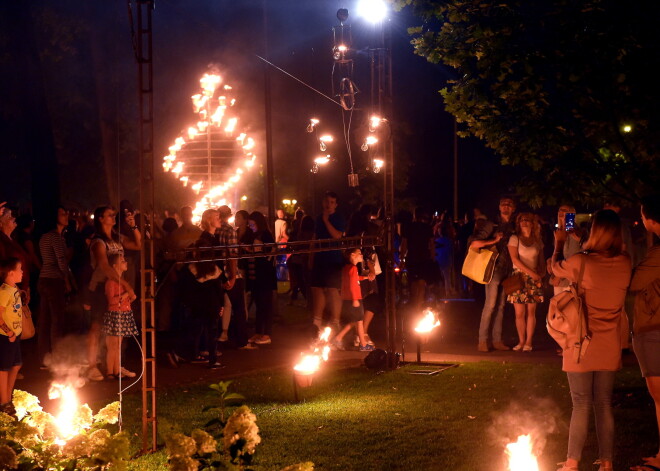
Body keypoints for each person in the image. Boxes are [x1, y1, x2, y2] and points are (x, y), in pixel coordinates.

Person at [551, 209, 632, 471]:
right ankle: (606, 462)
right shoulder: (625, 262)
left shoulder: (580, 262)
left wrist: (560, 242)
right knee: (604, 403)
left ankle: (573, 462)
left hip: (580, 343)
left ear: (595, 231)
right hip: (610, 343)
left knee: (581, 403)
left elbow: (554, 269)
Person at [86, 206, 139, 381]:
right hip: (101, 286)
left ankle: (115, 366)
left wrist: (133, 226)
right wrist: (127, 286)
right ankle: (92, 365)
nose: (114, 217)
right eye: (110, 215)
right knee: (96, 326)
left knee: (117, 329)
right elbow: (104, 266)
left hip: (117, 285)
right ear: (100, 218)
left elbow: (138, 245)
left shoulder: (116, 238)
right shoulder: (98, 241)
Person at [629, 195, 660, 471]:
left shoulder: (658, 254)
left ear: (649, 218)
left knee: (659, 394)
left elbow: (634, 281)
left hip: (653, 327)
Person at [470, 196, 517, 352]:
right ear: (499, 207)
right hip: (494, 269)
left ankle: (497, 340)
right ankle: (482, 341)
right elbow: (475, 243)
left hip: (508, 270)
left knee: (501, 306)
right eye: (503, 204)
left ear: (513, 208)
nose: (506, 207)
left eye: (509, 205)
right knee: (490, 305)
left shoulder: (514, 226)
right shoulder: (492, 225)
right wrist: (494, 240)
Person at [37, 206, 72, 367]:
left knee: (44, 320)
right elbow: (61, 261)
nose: (67, 216)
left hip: (43, 278)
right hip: (54, 280)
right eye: (62, 214)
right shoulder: (56, 237)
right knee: (57, 320)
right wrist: (67, 280)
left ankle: (44, 358)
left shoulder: (44, 237)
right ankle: (56, 358)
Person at [506, 213, 545, 352]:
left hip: (533, 278)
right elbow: (515, 260)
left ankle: (529, 341)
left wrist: (541, 274)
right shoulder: (514, 239)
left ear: (532, 223)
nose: (524, 222)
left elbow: (541, 262)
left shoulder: (537, 241)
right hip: (518, 277)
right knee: (519, 313)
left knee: (531, 312)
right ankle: (521, 341)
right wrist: (532, 273)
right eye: (521, 220)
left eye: (527, 220)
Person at [310, 191, 346, 331]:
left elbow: (337, 235)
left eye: (331, 202)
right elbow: (315, 237)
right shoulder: (318, 218)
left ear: (336, 204)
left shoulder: (338, 218)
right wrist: (311, 256)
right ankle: (316, 322)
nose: (328, 205)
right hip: (320, 257)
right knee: (317, 288)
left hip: (333, 258)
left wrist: (326, 220)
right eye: (326, 201)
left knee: (332, 289)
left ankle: (336, 321)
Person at [216, 205, 249, 349]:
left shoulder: (214, 230)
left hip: (216, 274)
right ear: (228, 215)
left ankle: (218, 337)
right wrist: (233, 276)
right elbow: (232, 255)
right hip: (229, 272)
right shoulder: (229, 230)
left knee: (217, 307)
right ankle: (242, 341)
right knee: (239, 308)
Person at [102, 254, 138, 380]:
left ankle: (117, 371)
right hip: (115, 315)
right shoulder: (111, 282)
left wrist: (128, 296)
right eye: (122, 261)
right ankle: (110, 372)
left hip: (123, 314)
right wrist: (125, 295)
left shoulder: (124, 283)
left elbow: (132, 297)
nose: (126, 263)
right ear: (115, 266)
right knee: (112, 345)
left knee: (118, 344)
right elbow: (112, 301)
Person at [332, 248, 375, 352]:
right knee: (359, 321)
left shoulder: (348, 268)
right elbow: (351, 284)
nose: (361, 255)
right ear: (352, 255)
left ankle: (337, 339)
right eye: (359, 253)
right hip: (355, 299)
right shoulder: (353, 268)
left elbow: (353, 279)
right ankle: (363, 345)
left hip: (348, 298)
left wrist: (364, 278)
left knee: (354, 321)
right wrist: (355, 299)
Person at [248, 211, 277, 345]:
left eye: (253, 224)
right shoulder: (256, 234)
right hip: (257, 274)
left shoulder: (266, 235)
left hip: (265, 274)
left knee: (266, 304)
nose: (251, 226)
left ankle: (267, 334)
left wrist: (261, 253)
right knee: (259, 304)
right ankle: (259, 332)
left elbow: (271, 251)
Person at [0, 257, 23, 416]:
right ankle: (4, 401)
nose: (22, 272)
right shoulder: (4, 291)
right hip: (6, 336)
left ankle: (7, 398)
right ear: (11, 273)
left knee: (16, 364)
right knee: (4, 368)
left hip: (16, 334)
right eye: (20, 269)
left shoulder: (13, 289)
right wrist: (8, 331)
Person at [548, 205, 585, 295]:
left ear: (572, 214)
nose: (561, 211)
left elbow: (572, 256)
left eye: (565, 210)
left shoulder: (575, 232)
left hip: (570, 279)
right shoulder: (559, 230)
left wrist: (559, 275)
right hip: (560, 276)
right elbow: (559, 251)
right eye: (560, 209)